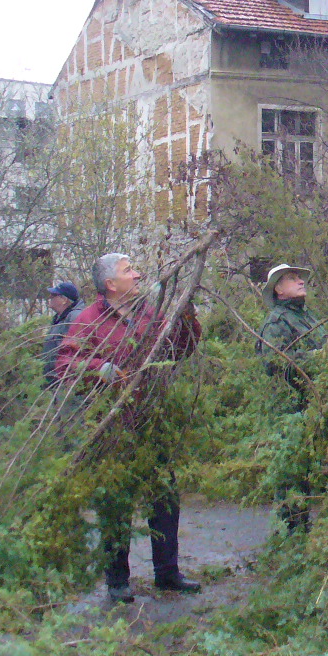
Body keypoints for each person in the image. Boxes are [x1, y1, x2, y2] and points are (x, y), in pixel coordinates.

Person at [56, 252, 202, 603]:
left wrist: (186, 317)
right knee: (115, 502)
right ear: (110, 284)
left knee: (165, 498)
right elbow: (64, 363)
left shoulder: (149, 313)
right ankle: (117, 581)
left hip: (152, 420)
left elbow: (180, 348)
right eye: (129, 270)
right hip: (113, 427)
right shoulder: (89, 319)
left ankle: (167, 573)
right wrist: (98, 368)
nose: (137, 275)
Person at [257, 264, 326, 531]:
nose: (300, 281)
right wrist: (315, 359)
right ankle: (289, 536)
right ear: (278, 289)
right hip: (290, 410)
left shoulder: (309, 317)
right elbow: (274, 364)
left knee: (310, 472)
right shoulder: (276, 322)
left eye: (300, 278)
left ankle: (304, 536)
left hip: (314, 404)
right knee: (291, 476)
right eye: (292, 278)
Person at [41, 280, 85, 386]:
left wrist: (69, 377)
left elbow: (76, 350)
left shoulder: (75, 317)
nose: (50, 298)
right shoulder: (59, 318)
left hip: (63, 382)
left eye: (54, 295)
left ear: (64, 299)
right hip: (53, 381)